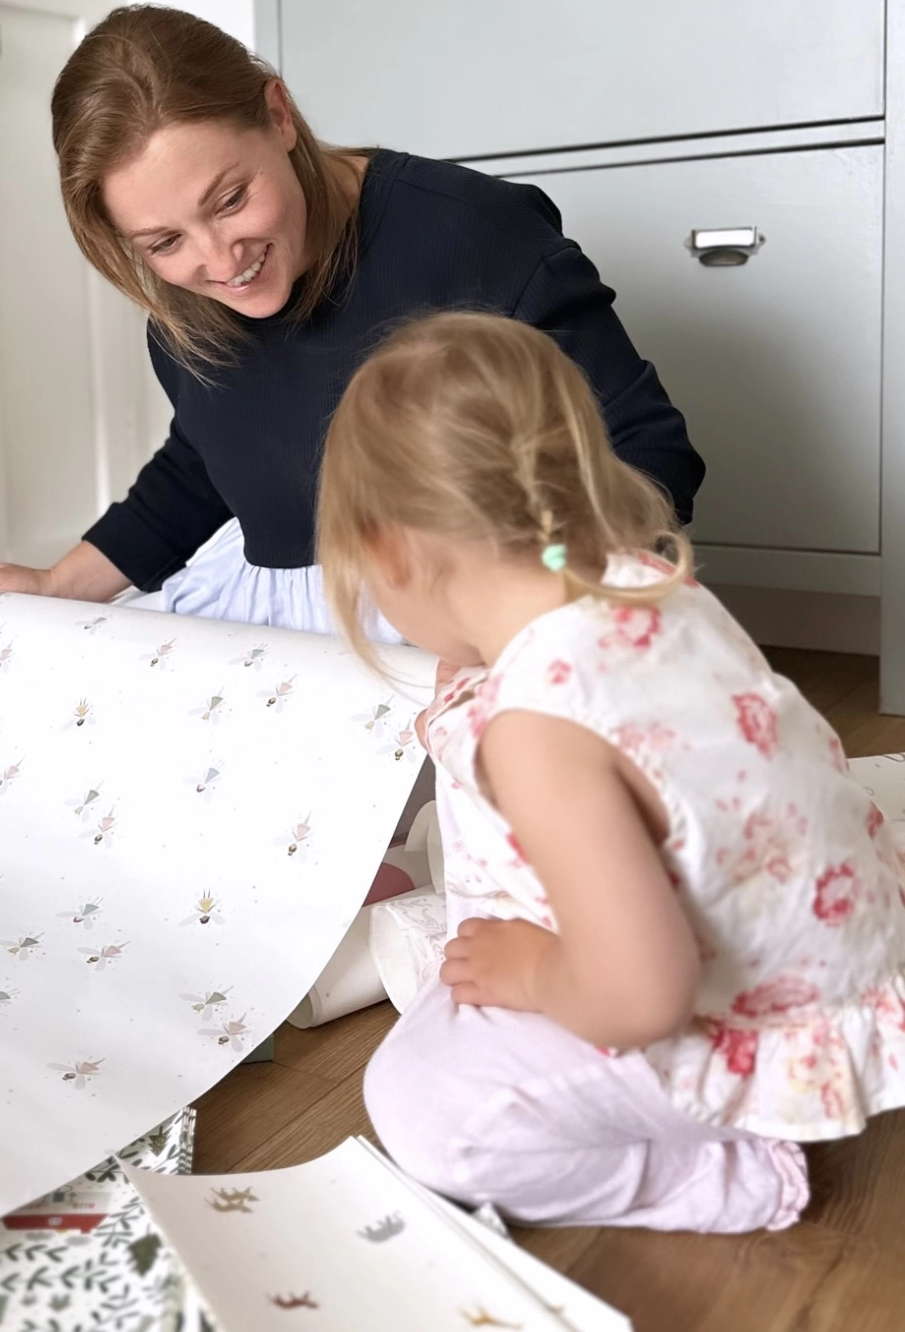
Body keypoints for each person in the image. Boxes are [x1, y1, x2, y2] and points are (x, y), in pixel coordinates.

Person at [316, 310, 905, 1233]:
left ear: (389, 548)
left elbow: (643, 993)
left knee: (418, 1108)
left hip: (736, 1019)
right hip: (843, 947)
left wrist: (538, 970)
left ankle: (735, 1174)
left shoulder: (540, 728)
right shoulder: (638, 579)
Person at [0, 5, 703, 640]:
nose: (217, 260)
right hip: (284, 613)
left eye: (231, 200)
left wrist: (524, 612)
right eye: (164, 242)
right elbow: (207, 460)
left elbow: (646, 451)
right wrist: (55, 583)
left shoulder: (472, 234)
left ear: (278, 117)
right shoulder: (185, 310)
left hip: (484, 610)